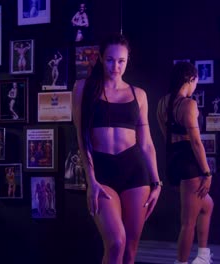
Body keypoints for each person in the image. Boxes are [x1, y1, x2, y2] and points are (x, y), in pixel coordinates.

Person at [72, 33, 161, 264]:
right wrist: (90, 180)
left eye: (121, 61)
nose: (116, 66)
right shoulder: (83, 88)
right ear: (101, 58)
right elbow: (82, 138)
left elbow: (146, 143)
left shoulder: (138, 94)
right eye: (110, 60)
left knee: (130, 250)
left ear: (127, 60)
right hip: (102, 172)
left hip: (135, 172)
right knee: (116, 243)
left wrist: (156, 182)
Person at [156, 62, 214, 264]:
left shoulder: (162, 103)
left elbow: (167, 138)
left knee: (207, 206)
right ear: (191, 79)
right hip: (190, 164)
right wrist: (207, 173)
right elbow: (196, 142)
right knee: (188, 222)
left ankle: (204, 256)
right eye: (196, 81)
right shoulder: (188, 104)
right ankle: (181, 262)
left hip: (173, 161)